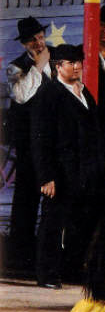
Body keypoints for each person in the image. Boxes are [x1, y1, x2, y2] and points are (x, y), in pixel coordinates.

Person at [32, 45, 105, 289]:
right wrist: (46, 177)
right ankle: (47, 274)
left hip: (85, 173)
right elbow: (40, 138)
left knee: (81, 222)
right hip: (60, 173)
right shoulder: (48, 94)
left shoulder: (85, 93)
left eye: (78, 62)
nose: (76, 67)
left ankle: (72, 269)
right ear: (57, 67)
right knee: (53, 223)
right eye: (70, 63)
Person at [6, 16, 56, 272]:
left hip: (56, 141)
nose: (38, 43)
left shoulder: (59, 58)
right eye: (32, 40)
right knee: (26, 199)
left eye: (40, 37)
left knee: (55, 200)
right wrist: (39, 66)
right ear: (24, 44)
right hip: (29, 143)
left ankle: (49, 257)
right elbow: (21, 95)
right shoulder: (15, 67)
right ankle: (20, 258)